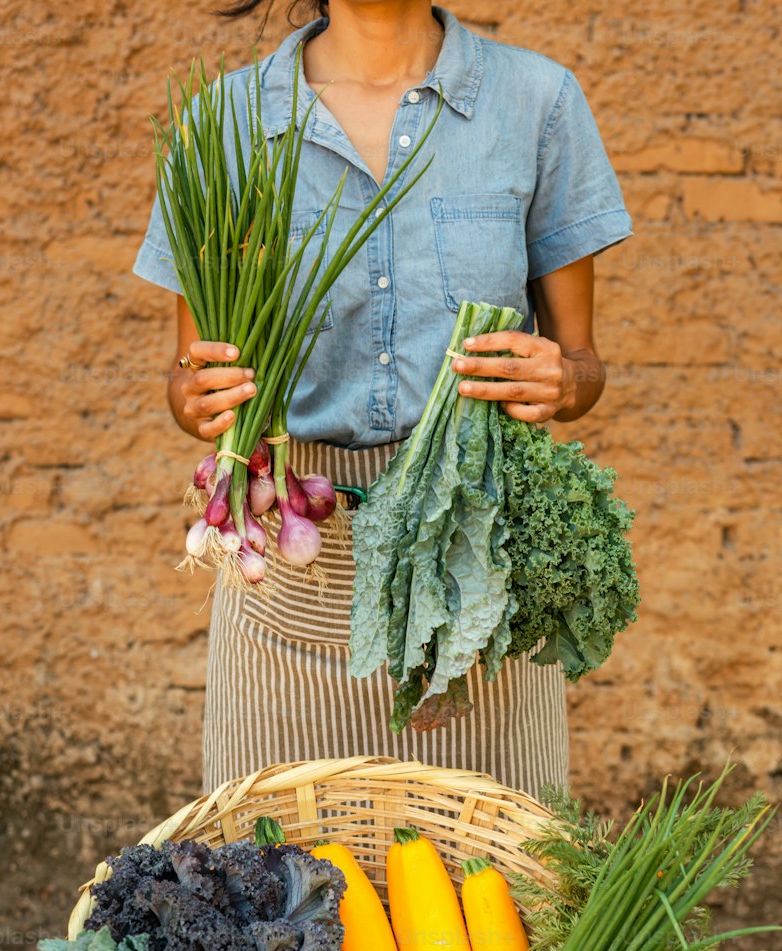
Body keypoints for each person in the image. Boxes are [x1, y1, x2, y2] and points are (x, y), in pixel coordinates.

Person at [132, 0, 633, 800]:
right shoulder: (225, 120)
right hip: (294, 568)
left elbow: (582, 368)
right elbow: (188, 377)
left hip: (474, 584)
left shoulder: (536, 102)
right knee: (280, 897)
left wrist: (563, 381)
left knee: (494, 902)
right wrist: (197, 399)